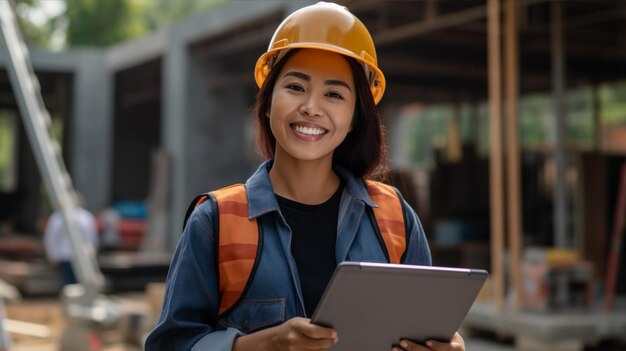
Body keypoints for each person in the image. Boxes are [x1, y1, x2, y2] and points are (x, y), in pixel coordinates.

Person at [145, 2, 465, 351]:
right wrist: (259, 345)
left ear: (355, 117)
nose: (312, 106)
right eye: (296, 87)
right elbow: (170, 345)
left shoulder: (395, 220)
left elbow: (424, 328)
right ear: (267, 103)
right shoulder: (217, 221)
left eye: (334, 94)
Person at [43, 193, 99, 285]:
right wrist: (92, 252)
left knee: (70, 285)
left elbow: (50, 238)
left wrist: (52, 255)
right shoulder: (86, 217)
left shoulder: (57, 217)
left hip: (67, 256)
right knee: (82, 283)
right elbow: (92, 237)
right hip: (77, 256)